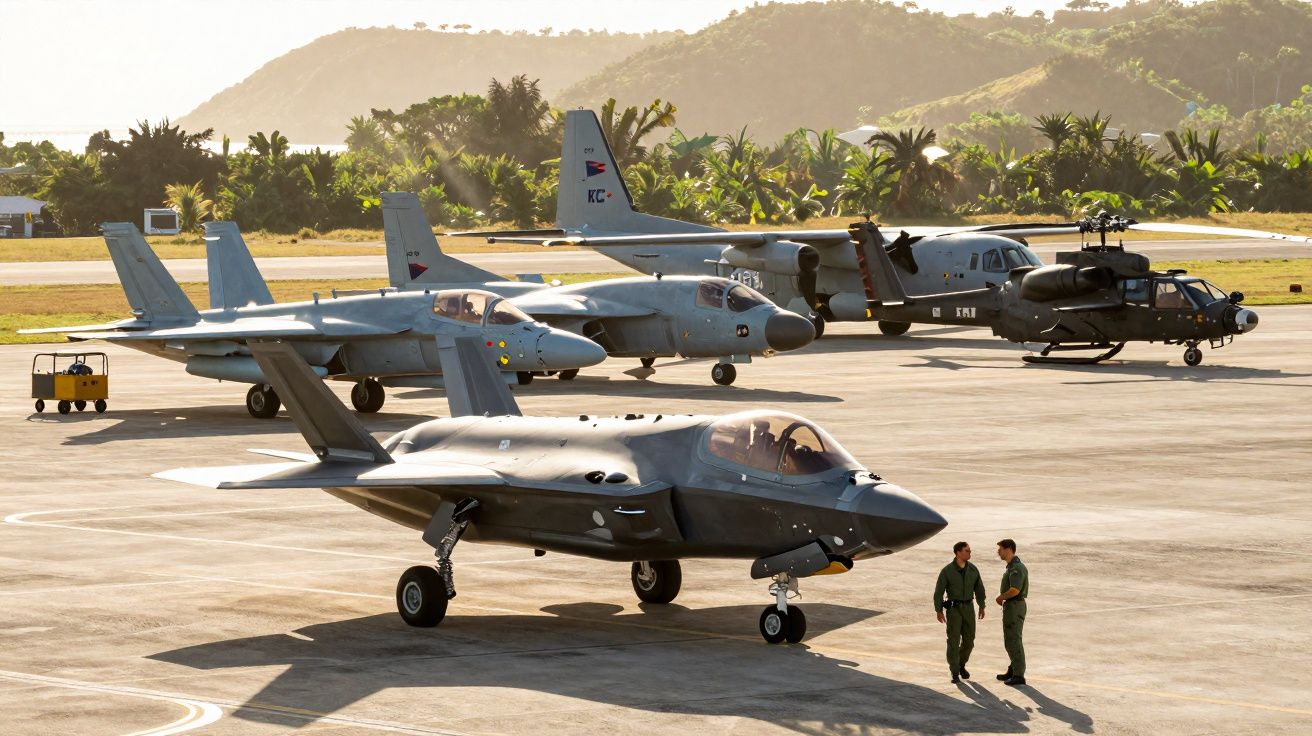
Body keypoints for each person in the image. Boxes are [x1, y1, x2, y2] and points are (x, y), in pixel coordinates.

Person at [933, 541, 986, 684]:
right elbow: (938, 592)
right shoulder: (947, 571)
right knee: (953, 641)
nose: (970, 553)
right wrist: (939, 610)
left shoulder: (973, 570)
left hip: (969, 608)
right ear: (958, 553)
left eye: (969, 550)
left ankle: (961, 664)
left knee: (969, 641)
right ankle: (955, 671)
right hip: (954, 610)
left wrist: (982, 605)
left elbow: (979, 589)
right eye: (967, 551)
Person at [995, 538, 1029, 686]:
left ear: (1008, 549)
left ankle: (1019, 675)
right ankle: (1013, 669)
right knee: (1010, 640)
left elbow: (1015, 590)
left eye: (1000, 549)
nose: (998, 552)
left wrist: (1001, 597)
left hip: (1015, 606)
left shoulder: (1016, 568)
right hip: (1012, 606)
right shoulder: (1011, 567)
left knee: (1014, 640)